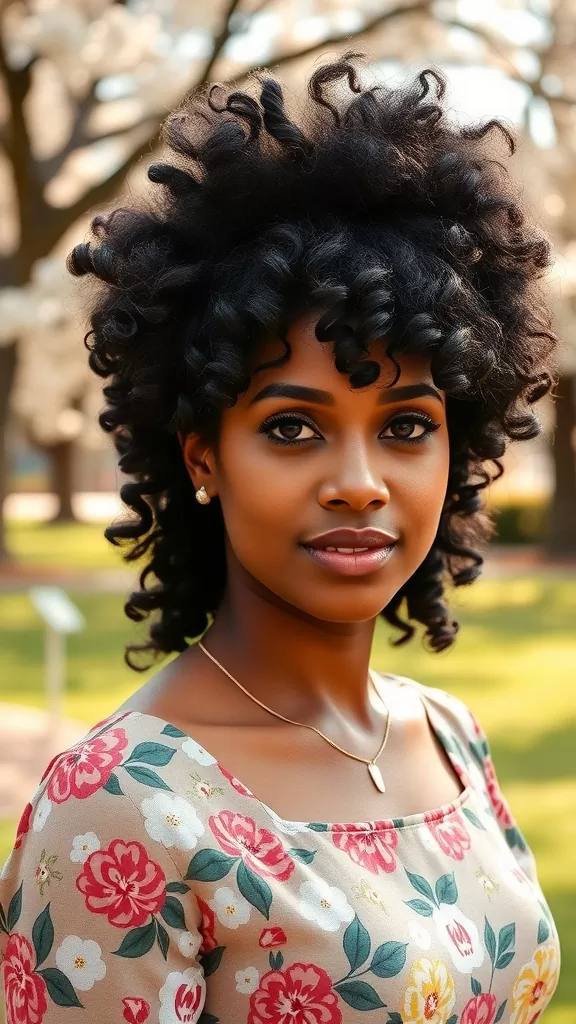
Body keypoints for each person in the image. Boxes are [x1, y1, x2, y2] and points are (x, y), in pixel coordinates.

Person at [1, 53, 561, 1024]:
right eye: (292, 427)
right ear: (203, 455)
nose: (358, 482)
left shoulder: (447, 733)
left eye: (406, 425)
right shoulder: (117, 809)